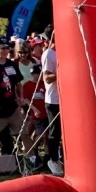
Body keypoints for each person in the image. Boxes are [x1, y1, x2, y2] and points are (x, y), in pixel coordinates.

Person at [40, 30, 62, 175]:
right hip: (53, 99)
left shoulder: (61, 52)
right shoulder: (49, 54)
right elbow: (46, 78)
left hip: (64, 99)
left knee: (63, 132)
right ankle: (52, 159)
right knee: (55, 131)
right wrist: (63, 72)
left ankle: (61, 158)